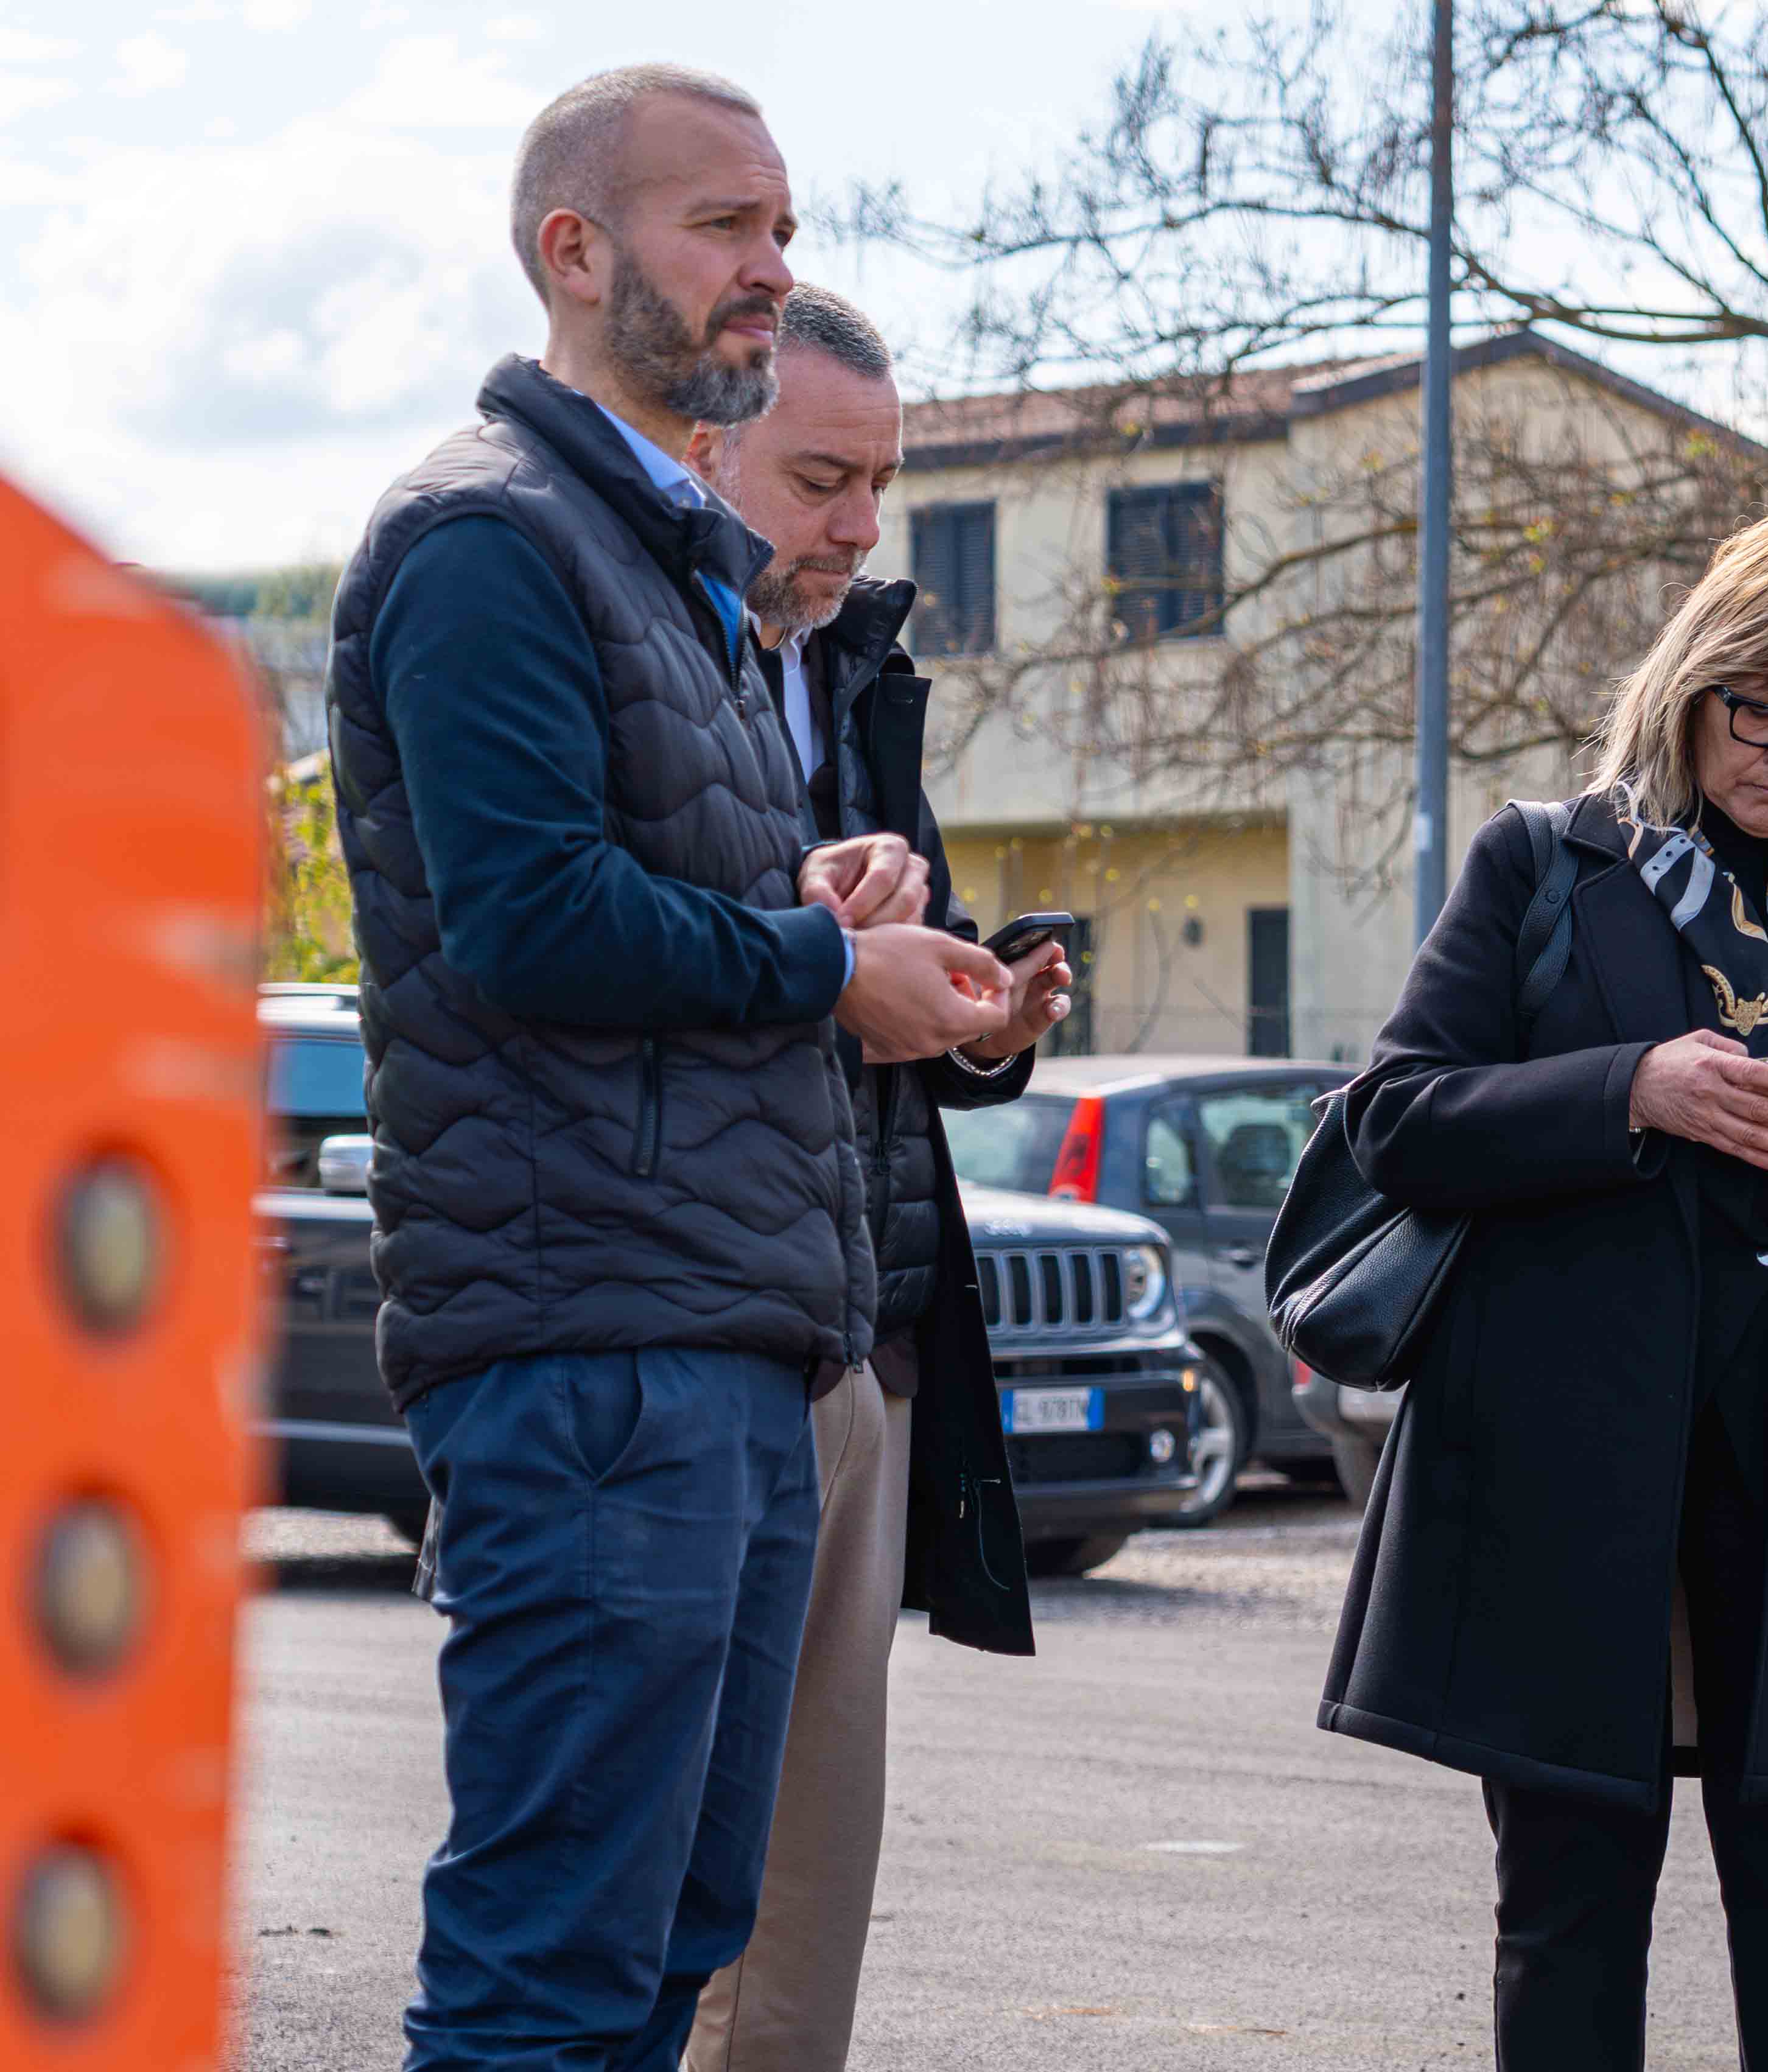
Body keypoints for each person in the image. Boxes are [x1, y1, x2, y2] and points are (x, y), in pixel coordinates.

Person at [324, 66, 1008, 2070]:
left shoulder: (667, 565)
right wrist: (829, 967)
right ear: (573, 251)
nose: (767, 269)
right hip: (589, 1350)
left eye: (781, 229)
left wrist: (810, 895)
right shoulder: (487, 536)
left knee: (668, 1949)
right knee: (554, 1973)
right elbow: (527, 919)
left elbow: (626, 896)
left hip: (724, 1336)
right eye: (724, 226)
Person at [1315, 514, 1768, 2069]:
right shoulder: (1543, 862)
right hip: (1566, 1448)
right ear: (1692, 689)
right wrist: (1631, 1087)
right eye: (1761, 714)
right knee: (1568, 1886)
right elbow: (1396, 1117)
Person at [675, 286, 1072, 2072]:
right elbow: (577, 948)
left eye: (882, 485)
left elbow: (892, 973)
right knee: (641, 1893)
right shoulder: (614, 630)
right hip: (682, 1323)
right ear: (707, 447)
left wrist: (986, 1014)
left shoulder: (856, 668)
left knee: (803, 1905)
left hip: (866, 1326)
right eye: (822, 480)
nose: (859, 527)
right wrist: (819, 952)